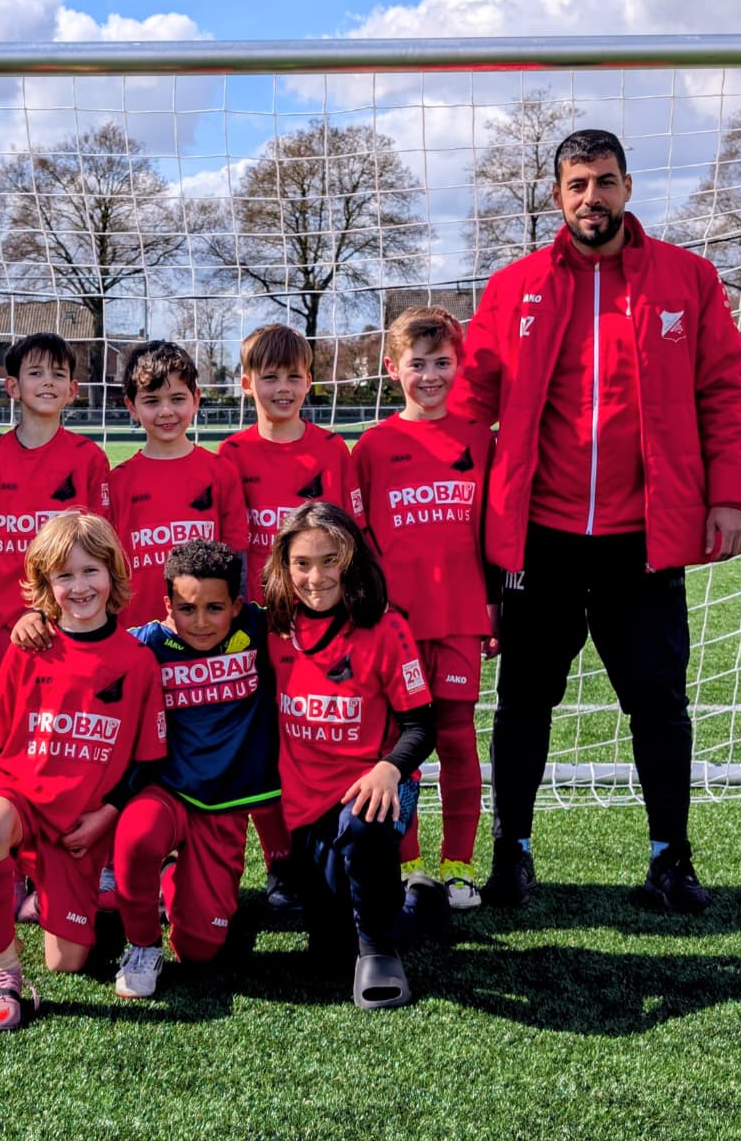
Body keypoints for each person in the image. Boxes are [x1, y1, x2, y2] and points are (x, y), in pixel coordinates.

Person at [451, 128, 741, 914]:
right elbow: (471, 403)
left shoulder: (688, 279)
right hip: (540, 538)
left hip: (643, 538)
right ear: (558, 196)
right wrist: (442, 497)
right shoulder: (513, 287)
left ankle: (670, 859)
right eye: (578, 184)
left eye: (606, 181)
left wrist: (729, 495)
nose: (593, 197)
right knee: (524, 701)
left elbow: (720, 390)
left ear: (628, 188)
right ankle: (512, 853)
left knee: (658, 703)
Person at [14, 540, 279, 999]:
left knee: (199, 950)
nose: (201, 621)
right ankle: (142, 944)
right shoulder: (144, 645)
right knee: (137, 834)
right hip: (165, 793)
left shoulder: (258, 629)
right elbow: (85, 643)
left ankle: (168, 878)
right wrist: (38, 620)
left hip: (224, 805)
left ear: (236, 606)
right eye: (187, 608)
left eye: (215, 608)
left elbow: (314, 606)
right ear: (167, 606)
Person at [0, 511, 166, 1031]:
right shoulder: (29, 648)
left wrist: (106, 817)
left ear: (113, 574)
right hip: (22, 799)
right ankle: (2, 974)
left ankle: (47, 893)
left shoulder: (137, 661)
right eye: (65, 575)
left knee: (67, 961)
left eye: (90, 571)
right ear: (46, 585)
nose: (80, 587)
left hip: (79, 825)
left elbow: (148, 760)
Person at [265, 501, 444, 1010]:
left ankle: (379, 954)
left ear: (351, 560)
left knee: (363, 827)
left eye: (330, 561)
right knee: (330, 952)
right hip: (306, 807)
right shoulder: (273, 630)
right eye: (302, 563)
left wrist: (388, 769)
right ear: (284, 567)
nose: (315, 577)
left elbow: (422, 725)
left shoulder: (386, 628)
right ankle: (420, 904)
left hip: (374, 793)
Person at [352, 306, 496, 910]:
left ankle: (458, 865)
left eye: (442, 363)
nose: (430, 376)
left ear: (459, 366)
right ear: (393, 368)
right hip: (398, 627)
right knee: (398, 745)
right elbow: (358, 538)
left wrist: (494, 605)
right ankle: (407, 863)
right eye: (417, 364)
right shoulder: (372, 446)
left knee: (458, 741)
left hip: (460, 618)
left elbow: (495, 530)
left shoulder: (479, 439)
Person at [217, 323, 362, 913]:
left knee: (310, 740)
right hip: (256, 624)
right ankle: (280, 862)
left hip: (321, 622)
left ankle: (323, 849)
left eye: (293, 376)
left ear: (310, 381)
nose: (282, 388)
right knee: (261, 743)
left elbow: (352, 538)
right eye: (269, 376)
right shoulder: (231, 454)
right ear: (246, 383)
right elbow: (230, 544)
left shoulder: (331, 450)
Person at [0, 331, 111, 686]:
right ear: (13, 387)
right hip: (3, 629)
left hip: (73, 621)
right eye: (36, 373)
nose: (48, 381)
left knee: (71, 718)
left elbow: (103, 553)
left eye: (58, 373)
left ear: (73, 390)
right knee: (9, 722)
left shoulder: (89, 459)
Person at [109, 341, 247, 629]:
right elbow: (107, 565)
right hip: (138, 631)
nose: (166, 411)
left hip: (206, 630)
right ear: (132, 407)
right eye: (151, 401)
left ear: (195, 399)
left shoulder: (221, 472)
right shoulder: (118, 481)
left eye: (177, 399)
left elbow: (236, 558)